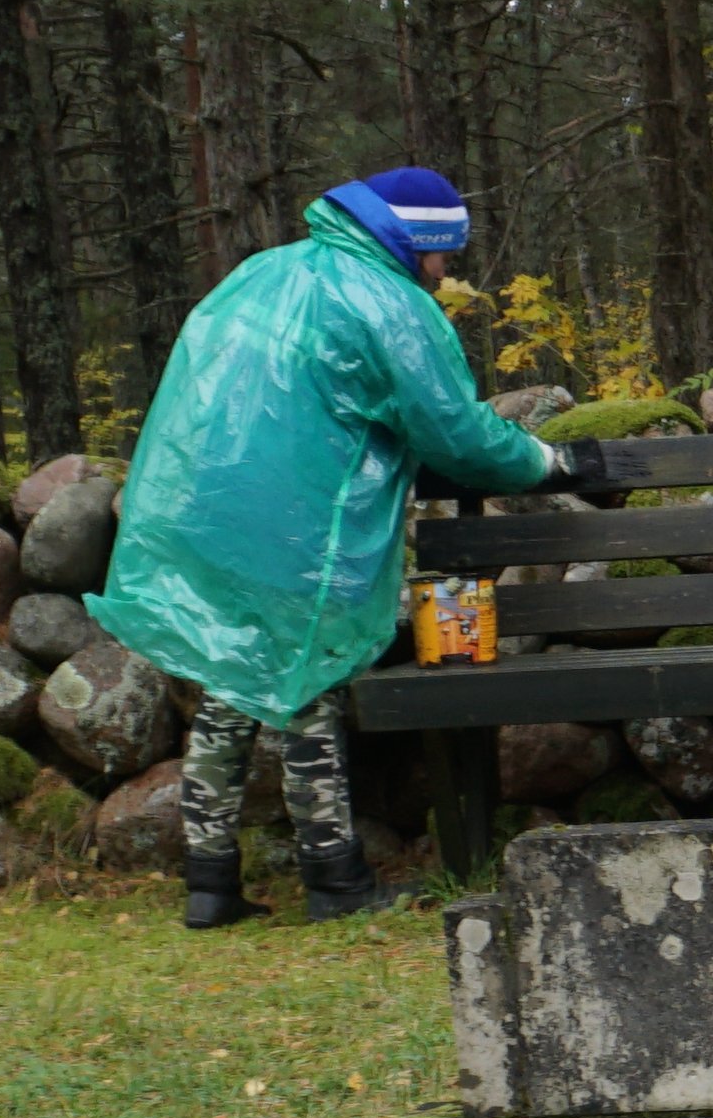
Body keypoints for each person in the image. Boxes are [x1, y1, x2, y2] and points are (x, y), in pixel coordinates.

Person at [89, 164, 586, 928]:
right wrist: (548, 462)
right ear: (415, 241)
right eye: (444, 255)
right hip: (301, 524)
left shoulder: (265, 273)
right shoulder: (389, 306)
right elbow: (457, 433)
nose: (446, 272)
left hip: (208, 507)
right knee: (305, 685)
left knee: (230, 680)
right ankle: (335, 878)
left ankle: (209, 878)